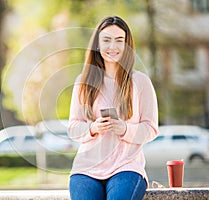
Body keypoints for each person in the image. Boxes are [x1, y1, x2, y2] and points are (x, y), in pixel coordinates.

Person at [67, 16, 159, 200]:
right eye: (106, 40)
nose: (113, 46)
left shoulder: (140, 81)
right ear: (98, 44)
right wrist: (93, 128)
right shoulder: (83, 82)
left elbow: (151, 129)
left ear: (127, 45)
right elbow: (73, 128)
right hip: (86, 168)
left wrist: (125, 129)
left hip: (126, 167)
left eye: (119, 40)